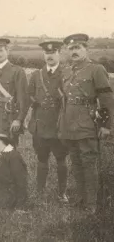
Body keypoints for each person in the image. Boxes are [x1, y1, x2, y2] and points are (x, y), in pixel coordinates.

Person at [58, 33, 114, 214]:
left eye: (78, 48)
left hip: (88, 123)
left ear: (86, 49)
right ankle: (81, 198)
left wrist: (106, 125)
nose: (74, 51)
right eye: (71, 48)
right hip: (69, 124)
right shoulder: (66, 70)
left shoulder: (96, 69)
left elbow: (106, 99)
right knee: (75, 162)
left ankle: (91, 204)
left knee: (89, 163)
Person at [27, 41, 69, 202]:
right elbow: (29, 94)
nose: (49, 56)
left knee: (61, 158)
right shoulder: (37, 75)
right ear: (44, 55)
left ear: (59, 54)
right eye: (47, 53)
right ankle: (40, 192)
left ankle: (62, 193)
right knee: (42, 158)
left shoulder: (66, 74)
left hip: (59, 125)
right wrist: (36, 100)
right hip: (40, 125)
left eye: (53, 53)